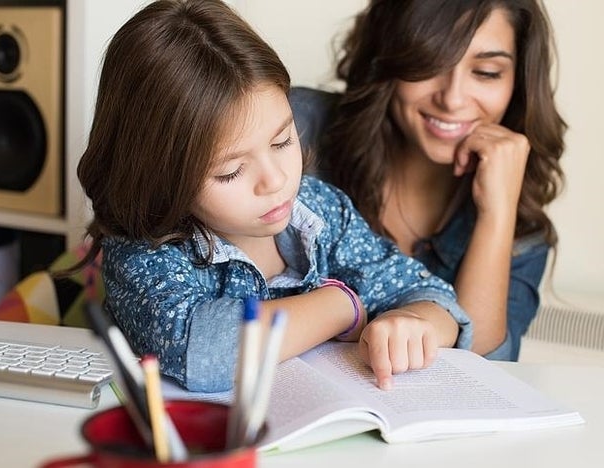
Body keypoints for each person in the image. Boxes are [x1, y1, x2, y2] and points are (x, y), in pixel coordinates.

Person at [70, 0, 472, 393]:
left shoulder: (318, 210)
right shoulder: (144, 248)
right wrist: (340, 306)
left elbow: (431, 296)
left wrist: (412, 322)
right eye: (231, 170)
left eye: (282, 141)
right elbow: (202, 350)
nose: (275, 180)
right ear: (159, 173)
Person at [291, 0, 565, 361]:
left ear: (518, 83)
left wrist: (497, 213)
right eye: (431, 63)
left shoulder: (524, 232)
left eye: (485, 72)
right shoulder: (295, 130)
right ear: (388, 57)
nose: (452, 99)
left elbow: (481, 372)